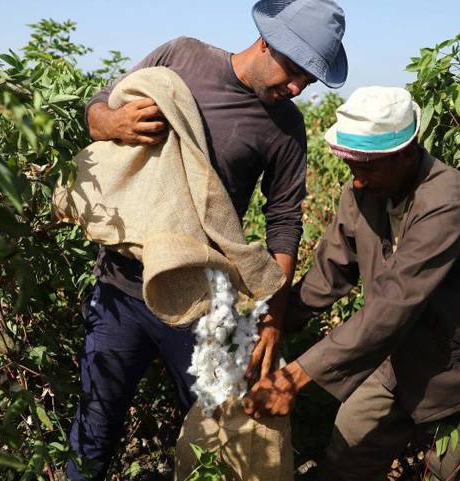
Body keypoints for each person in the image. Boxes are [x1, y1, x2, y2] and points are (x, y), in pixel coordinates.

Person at [67, 1, 348, 479]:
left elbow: (283, 222)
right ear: (266, 44)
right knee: (94, 430)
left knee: (221, 433)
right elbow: (98, 108)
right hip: (121, 286)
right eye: (295, 72)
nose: (297, 88)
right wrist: (112, 123)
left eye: (309, 82)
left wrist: (273, 319)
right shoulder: (183, 56)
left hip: (202, 299)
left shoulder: (285, 129)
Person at [245, 86, 460, 481]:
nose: (357, 180)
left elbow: (391, 306)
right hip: (398, 356)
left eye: (367, 166)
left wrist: (294, 378)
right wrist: (274, 322)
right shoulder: (364, 190)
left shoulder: (446, 202)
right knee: (349, 451)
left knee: (447, 470)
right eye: (351, 166)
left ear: (406, 153)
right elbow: (331, 271)